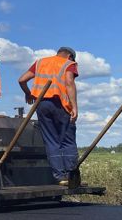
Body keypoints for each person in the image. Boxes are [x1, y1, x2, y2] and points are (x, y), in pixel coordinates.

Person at [17, 47, 79, 185]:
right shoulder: (69, 64)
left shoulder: (40, 62)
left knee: (51, 141)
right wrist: (74, 106)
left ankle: (60, 177)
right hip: (60, 104)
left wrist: (28, 93)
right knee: (67, 140)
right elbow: (69, 82)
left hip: (42, 104)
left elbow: (22, 80)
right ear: (69, 56)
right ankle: (71, 175)